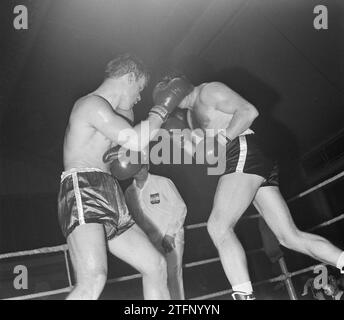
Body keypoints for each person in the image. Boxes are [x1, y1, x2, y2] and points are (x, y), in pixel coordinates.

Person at [153, 71, 344, 300]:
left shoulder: (208, 90)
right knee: (289, 237)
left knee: (219, 227)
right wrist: (177, 138)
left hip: (242, 150)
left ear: (176, 85)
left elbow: (248, 111)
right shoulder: (190, 117)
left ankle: (244, 296)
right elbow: (205, 155)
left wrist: (223, 140)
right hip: (240, 158)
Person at [58, 54, 189, 300]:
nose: (140, 97)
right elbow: (135, 138)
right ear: (129, 77)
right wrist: (162, 109)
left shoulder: (115, 113)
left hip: (110, 191)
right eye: (139, 88)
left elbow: (131, 136)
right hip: (83, 187)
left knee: (156, 266)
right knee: (93, 279)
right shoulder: (90, 105)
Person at [125, 164, 187, 300]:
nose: (139, 170)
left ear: (147, 166)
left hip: (171, 238)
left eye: (142, 167)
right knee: (153, 277)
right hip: (148, 242)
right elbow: (133, 220)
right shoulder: (129, 192)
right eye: (136, 168)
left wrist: (170, 235)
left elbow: (180, 207)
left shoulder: (163, 182)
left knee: (173, 276)